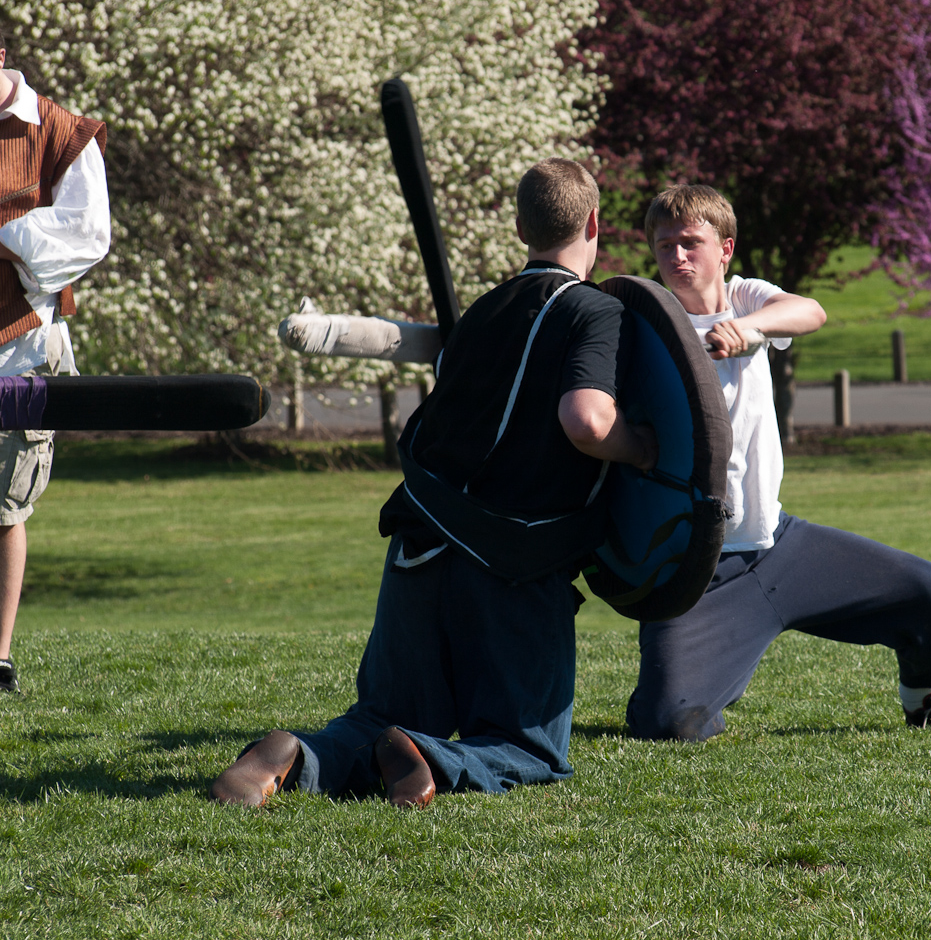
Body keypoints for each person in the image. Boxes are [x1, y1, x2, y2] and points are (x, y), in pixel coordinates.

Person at [212, 158, 657, 807]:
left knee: (378, 716)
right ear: (594, 222)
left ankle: (294, 755)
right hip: (512, 563)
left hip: (418, 543)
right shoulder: (594, 310)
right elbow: (586, 420)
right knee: (526, 746)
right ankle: (428, 757)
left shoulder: (479, 313)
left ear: (519, 227)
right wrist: (642, 447)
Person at [626, 184, 931, 741]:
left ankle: (924, 700)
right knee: (668, 723)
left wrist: (750, 330)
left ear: (725, 249)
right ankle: (713, 672)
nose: (677, 256)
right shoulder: (646, 324)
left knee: (927, 590)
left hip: (778, 546)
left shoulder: (746, 299)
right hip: (699, 569)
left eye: (691, 242)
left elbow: (810, 311)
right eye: (664, 245)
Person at [0, 32, 110, 695]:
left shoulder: (61, 132)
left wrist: (5, 236)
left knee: (3, 507)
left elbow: (88, 233)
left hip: (17, 347)